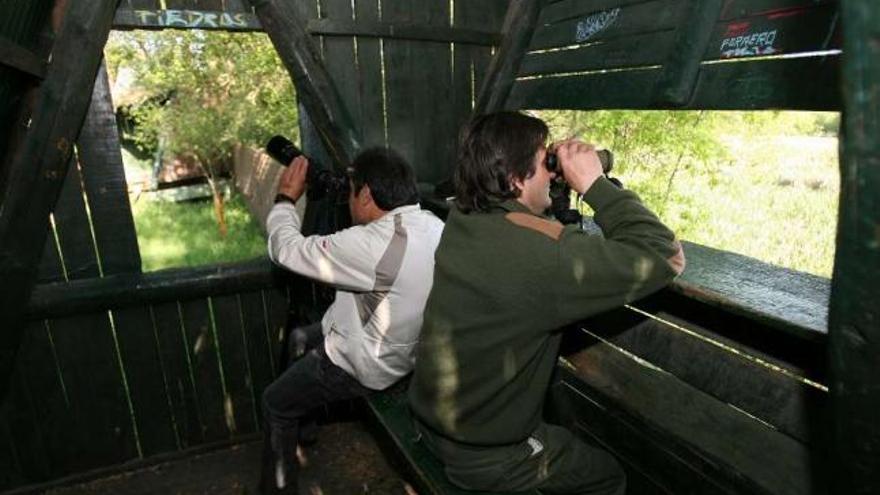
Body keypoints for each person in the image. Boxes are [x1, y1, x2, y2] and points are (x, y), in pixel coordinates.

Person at [408, 111, 685, 494]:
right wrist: (594, 184)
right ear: (514, 179)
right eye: (544, 163)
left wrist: (549, 194)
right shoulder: (543, 258)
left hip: (431, 422)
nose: (553, 172)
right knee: (606, 476)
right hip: (486, 455)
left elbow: (532, 234)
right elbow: (664, 254)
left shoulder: (464, 218)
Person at [261, 147, 444, 495]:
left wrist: (285, 199)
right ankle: (307, 428)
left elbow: (286, 250)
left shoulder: (370, 244)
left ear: (366, 195)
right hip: (403, 346)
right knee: (301, 337)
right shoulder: (433, 225)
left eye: (350, 190)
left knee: (275, 403)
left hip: (365, 366)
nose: (347, 199)